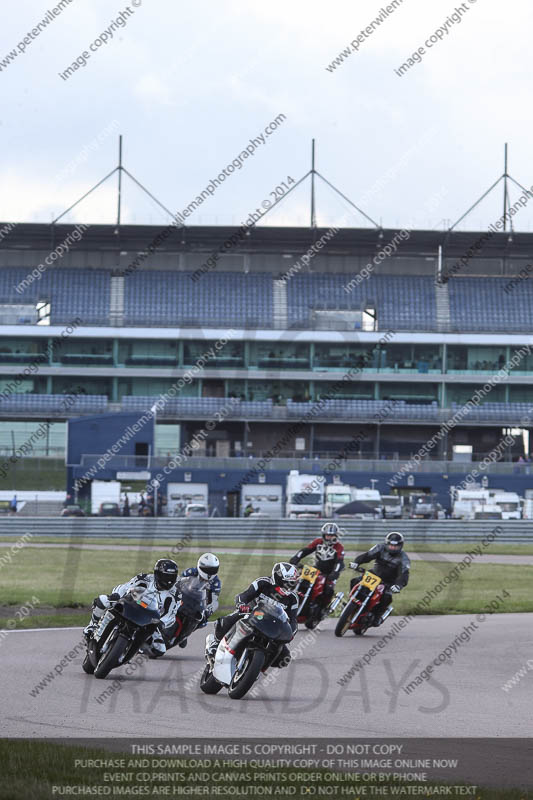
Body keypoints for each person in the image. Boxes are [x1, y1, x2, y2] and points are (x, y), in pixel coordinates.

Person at [207, 562, 299, 667]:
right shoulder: (263, 582)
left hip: (272, 626)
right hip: (252, 615)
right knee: (227, 621)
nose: (290, 585)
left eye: (293, 582)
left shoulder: (293, 598)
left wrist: (291, 632)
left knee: (284, 658)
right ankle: (215, 643)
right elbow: (244, 595)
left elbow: (293, 619)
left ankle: (258, 667)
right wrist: (242, 604)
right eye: (288, 582)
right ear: (278, 578)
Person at [83, 559, 180, 658]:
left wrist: (161, 623)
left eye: (172, 577)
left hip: (150, 619)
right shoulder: (144, 578)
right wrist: (117, 595)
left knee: (159, 649)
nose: (168, 581)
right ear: (157, 574)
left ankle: (132, 649)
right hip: (132, 605)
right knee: (103, 600)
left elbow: (171, 613)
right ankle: (92, 625)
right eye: (166, 576)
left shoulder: (175, 593)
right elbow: (126, 587)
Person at [349, 532, 410, 626]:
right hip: (373, 575)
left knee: (386, 597)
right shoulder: (380, 548)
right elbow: (367, 556)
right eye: (391, 545)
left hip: (388, 581)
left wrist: (398, 585)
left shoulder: (404, 558)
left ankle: (377, 616)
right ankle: (351, 603)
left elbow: (404, 574)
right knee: (355, 581)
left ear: (401, 546)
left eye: (395, 546)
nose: (393, 548)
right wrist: (356, 562)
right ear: (387, 544)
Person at [289, 521, 345, 608]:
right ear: (323, 535)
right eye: (328, 535)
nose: (329, 537)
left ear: (336, 536)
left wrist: (335, 573)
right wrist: (296, 557)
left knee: (328, 589)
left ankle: (323, 608)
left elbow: (339, 562)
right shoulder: (318, 542)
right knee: (298, 579)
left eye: (332, 535)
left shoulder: (339, 547)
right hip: (316, 569)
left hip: (330, 573)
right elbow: (306, 550)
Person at [177, 553, 221, 648]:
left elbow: (214, 599)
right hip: (184, 598)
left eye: (213, 570)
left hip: (200, 604)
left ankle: (186, 633)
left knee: (202, 622)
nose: (210, 572)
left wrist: (209, 610)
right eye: (207, 569)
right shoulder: (190, 572)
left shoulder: (216, 582)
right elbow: (178, 584)